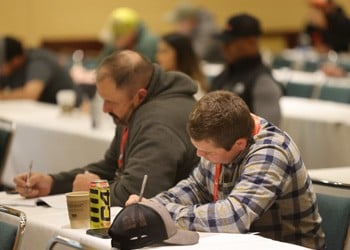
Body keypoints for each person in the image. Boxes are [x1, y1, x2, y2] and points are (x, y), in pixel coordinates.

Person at [126, 91, 325, 249]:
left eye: (207, 152)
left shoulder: (271, 151)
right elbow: (195, 187)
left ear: (239, 144)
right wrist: (152, 206)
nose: (199, 155)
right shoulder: (224, 135)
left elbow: (234, 217)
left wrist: (165, 214)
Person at [13, 50, 199, 206]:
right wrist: (53, 183)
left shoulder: (158, 123)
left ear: (140, 96)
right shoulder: (133, 108)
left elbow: (139, 194)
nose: (104, 109)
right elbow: (111, 166)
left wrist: (95, 190)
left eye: (111, 102)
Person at [211, 14, 283, 126]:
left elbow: (268, 132)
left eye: (230, 42)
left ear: (251, 42)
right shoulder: (223, 76)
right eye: (223, 42)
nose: (224, 47)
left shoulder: (262, 82)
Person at [0, 36, 82, 105]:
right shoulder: (12, 68)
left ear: (16, 60)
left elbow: (30, 95)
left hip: (69, 110)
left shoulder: (39, 61)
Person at [156, 32, 209, 100]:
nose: (157, 57)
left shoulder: (194, 89)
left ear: (180, 54)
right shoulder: (161, 83)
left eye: (164, 51)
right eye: (158, 51)